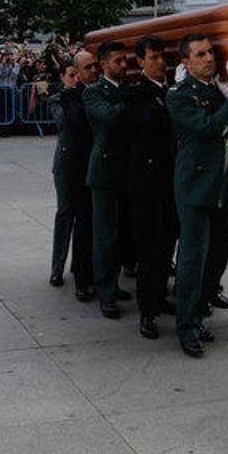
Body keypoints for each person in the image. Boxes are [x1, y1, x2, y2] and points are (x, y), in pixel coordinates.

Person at [166, 33, 228, 358]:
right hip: (196, 187)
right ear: (186, 63)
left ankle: (200, 312)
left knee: (217, 256)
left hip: (226, 183)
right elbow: (212, 128)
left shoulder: (219, 89)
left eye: (210, 52)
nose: (209, 58)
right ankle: (187, 326)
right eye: (200, 54)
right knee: (192, 259)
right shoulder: (179, 95)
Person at [124, 35, 177, 339]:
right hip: (146, 183)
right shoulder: (136, 93)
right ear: (140, 61)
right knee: (148, 250)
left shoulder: (171, 90)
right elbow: (148, 123)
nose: (160, 63)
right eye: (153, 57)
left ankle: (159, 297)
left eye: (162, 57)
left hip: (170, 182)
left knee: (166, 248)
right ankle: (147, 311)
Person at [83, 41, 132, 320]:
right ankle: (105, 292)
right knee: (105, 236)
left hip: (126, 170)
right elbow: (110, 116)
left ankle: (113, 284)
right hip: (104, 171)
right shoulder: (93, 92)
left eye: (125, 60)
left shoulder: (124, 89)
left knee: (121, 233)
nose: (124, 65)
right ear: (103, 65)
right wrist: (131, 98)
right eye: (118, 61)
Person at [49, 52, 97, 302]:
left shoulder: (87, 95)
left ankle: (79, 266)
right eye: (71, 76)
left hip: (84, 162)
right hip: (66, 164)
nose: (75, 79)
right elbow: (62, 123)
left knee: (84, 218)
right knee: (65, 214)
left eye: (76, 75)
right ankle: (56, 268)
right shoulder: (59, 98)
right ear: (63, 77)